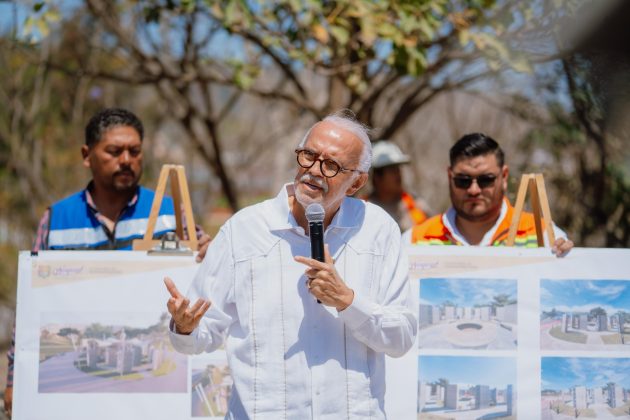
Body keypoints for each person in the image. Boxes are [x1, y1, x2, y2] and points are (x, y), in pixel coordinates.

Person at [164, 111, 417, 419]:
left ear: (357, 182)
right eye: (308, 155)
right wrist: (185, 328)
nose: (314, 171)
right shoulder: (243, 230)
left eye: (331, 165)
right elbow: (202, 333)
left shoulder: (378, 230)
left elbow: (401, 338)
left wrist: (347, 302)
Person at [3, 108, 210, 418]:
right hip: (77, 404)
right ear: (87, 155)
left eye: (134, 151)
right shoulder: (57, 219)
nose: (126, 160)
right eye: (114, 151)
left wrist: (210, 252)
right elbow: (30, 305)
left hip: (153, 403)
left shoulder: (171, 213)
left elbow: (204, 275)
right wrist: (14, 379)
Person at [407, 133, 574, 255]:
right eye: (463, 180)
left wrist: (565, 259)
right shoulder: (414, 241)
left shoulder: (543, 235)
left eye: (486, 180)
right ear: (450, 176)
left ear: (504, 176)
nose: (474, 190)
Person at [366, 140, 429, 231]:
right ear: (377, 177)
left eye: (398, 169)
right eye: (392, 170)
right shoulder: (364, 209)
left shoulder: (416, 205)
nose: (398, 174)